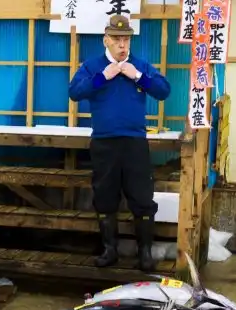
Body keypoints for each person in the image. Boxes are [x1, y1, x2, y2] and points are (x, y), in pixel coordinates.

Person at [68, 15, 171, 272]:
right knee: (105, 195)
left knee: (142, 197)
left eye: (126, 39)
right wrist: (103, 76)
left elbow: (163, 91)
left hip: (135, 143)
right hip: (104, 143)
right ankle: (109, 250)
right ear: (106, 40)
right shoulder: (93, 66)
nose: (122, 44)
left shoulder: (140, 65)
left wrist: (138, 76)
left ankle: (145, 254)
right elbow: (74, 92)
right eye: (116, 39)